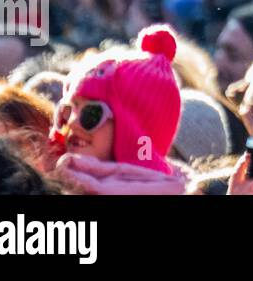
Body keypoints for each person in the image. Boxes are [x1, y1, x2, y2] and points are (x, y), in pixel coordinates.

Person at [51, 25, 187, 193]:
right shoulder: (48, 179)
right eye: (68, 110)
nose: (72, 123)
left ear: (134, 129)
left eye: (91, 113)